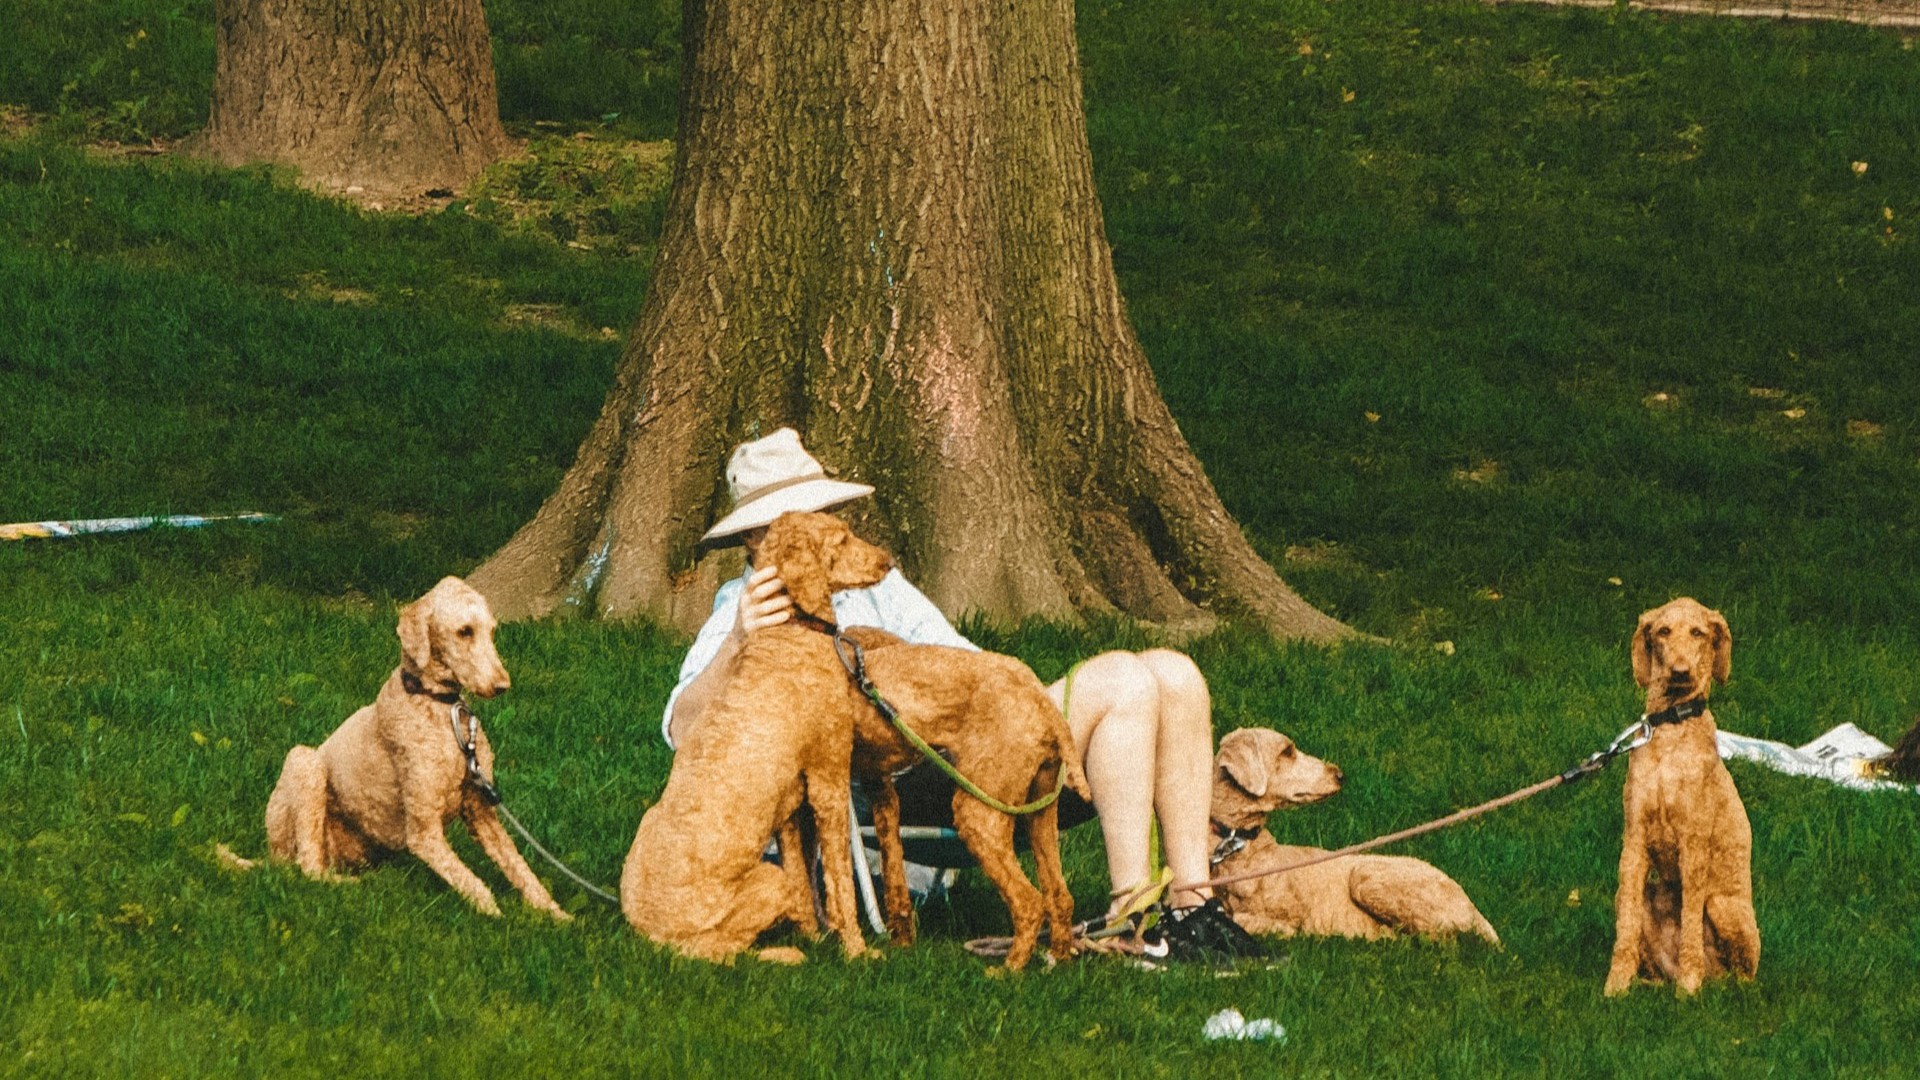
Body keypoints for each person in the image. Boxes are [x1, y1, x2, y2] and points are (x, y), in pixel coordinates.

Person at [662, 428, 1264, 963]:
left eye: (815, 512)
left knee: (1173, 671)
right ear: (758, 540)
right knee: (1123, 681)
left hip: (969, 742)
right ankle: (1132, 921)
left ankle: (1190, 906)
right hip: (901, 774)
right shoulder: (744, 608)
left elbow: (964, 662)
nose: (810, 531)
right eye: (785, 522)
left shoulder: (880, 582)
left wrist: (1011, 708)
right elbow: (681, 731)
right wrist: (740, 639)